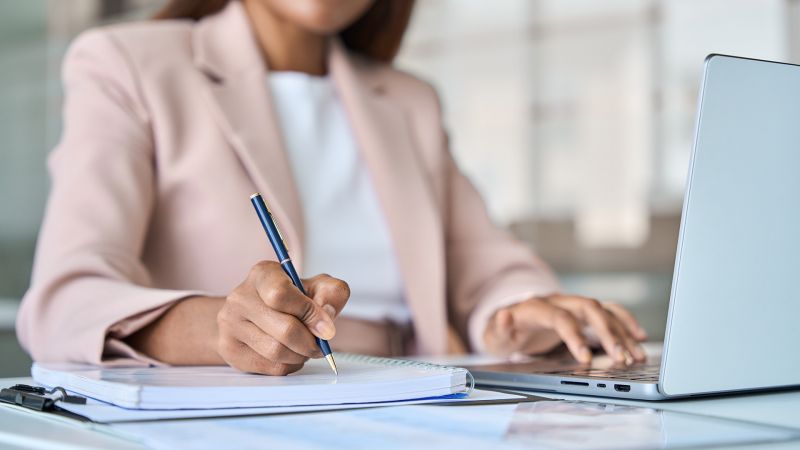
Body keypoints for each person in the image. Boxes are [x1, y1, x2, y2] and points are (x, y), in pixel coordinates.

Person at [16, 0, 647, 375]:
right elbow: (65, 300)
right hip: (236, 416)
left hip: (415, 399)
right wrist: (219, 329)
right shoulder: (127, 63)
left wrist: (518, 310)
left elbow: (488, 269)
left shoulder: (408, 100)